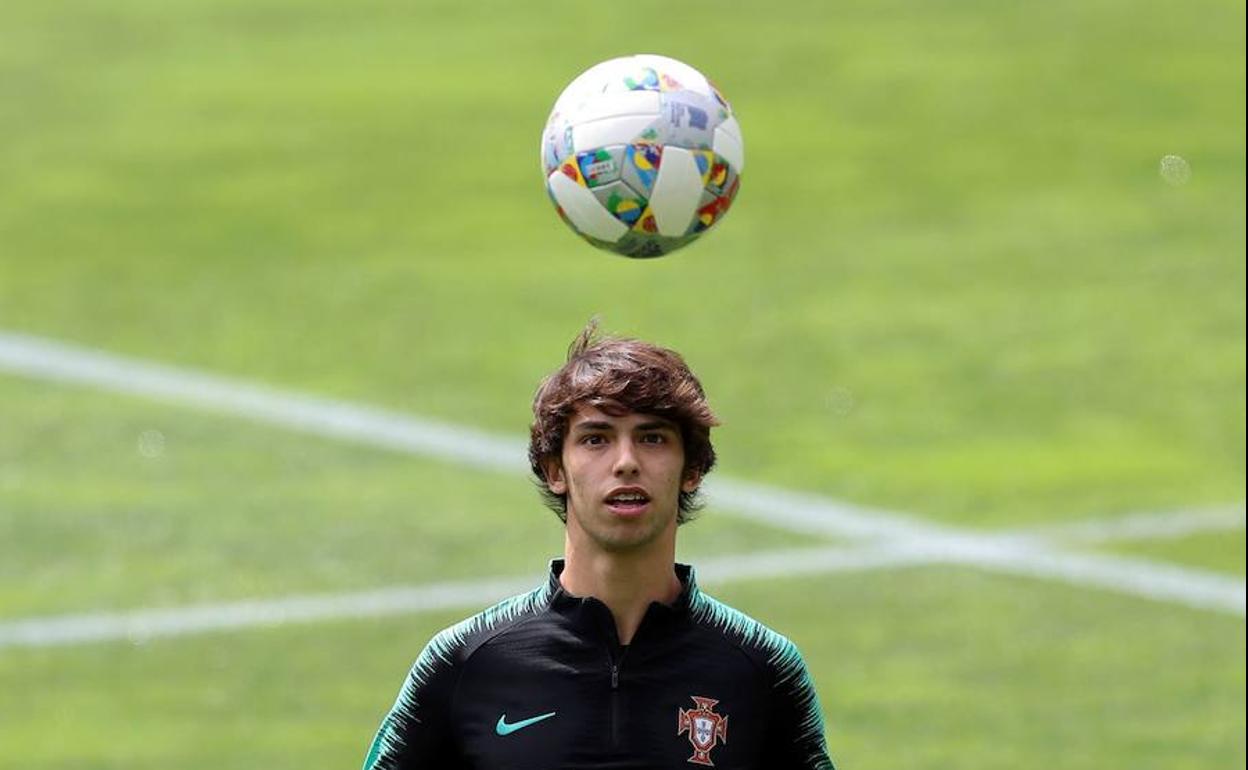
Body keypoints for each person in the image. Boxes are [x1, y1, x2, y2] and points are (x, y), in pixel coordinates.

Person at [362, 322, 835, 769]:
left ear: (691, 470)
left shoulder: (762, 667)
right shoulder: (465, 662)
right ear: (555, 471)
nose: (626, 462)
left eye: (652, 438)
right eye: (596, 439)